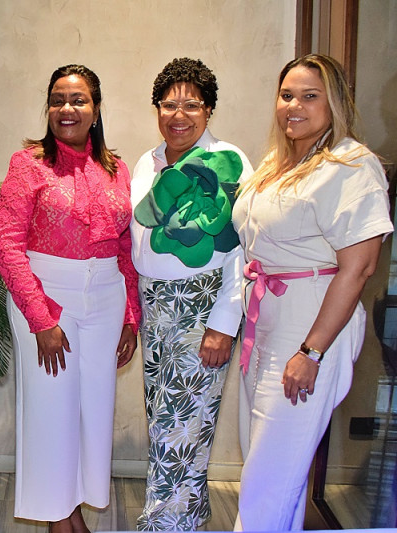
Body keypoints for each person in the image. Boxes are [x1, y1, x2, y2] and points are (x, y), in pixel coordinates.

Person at [232, 54, 393, 531]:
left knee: (269, 477)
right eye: (286, 95)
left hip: (311, 324)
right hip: (264, 323)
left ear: (335, 102)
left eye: (309, 96)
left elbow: (359, 268)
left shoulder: (351, 166)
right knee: (268, 466)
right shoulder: (278, 163)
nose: (293, 106)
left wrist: (312, 351)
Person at [0, 64, 141, 533]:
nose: (66, 109)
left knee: (93, 410)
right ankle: (61, 520)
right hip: (46, 294)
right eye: (57, 99)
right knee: (51, 411)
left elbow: (125, 247)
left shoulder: (117, 169)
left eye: (78, 100)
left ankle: (74, 512)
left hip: (106, 298)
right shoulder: (29, 163)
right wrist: (40, 319)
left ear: (96, 109)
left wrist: (131, 317)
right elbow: (7, 244)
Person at [131, 57, 254, 531]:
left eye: (191, 105)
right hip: (156, 308)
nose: (178, 115)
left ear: (209, 110)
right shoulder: (148, 160)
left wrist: (223, 325)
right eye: (168, 104)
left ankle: (165, 525)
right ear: (156, 109)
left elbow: (242, 253)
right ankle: (188, 517)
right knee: (170, 423)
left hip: (200, 308)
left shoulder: (230, 161)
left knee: (180, 425)